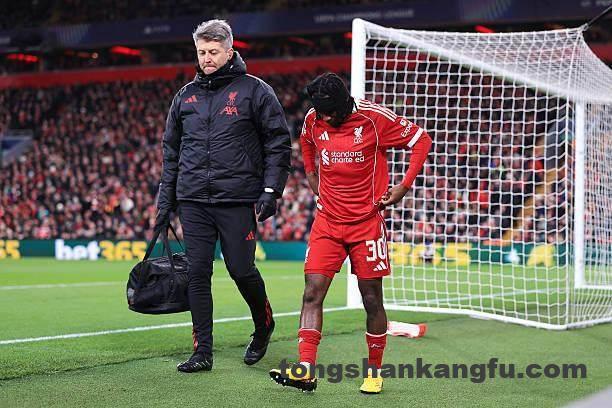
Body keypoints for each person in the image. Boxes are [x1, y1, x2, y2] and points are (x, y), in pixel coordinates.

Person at [269, 73, 432, 393]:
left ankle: (374, 372)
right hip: (327, 222)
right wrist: (311, 173)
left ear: (344, 104)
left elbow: (421, 140)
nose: (325, 118)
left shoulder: (373, 119)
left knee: (371, 299)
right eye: (320, 112)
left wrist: (403, 186)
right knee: (312, 292)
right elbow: (306, 140)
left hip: (366, 224)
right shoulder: (314, 118)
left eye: (330, 112)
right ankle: (305, 370)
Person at [155, 19, 291, 373]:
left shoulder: (255, 91)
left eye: (214, 52)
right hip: (193, 200)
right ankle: (202, 351)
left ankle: (263, 325)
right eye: (202, 52)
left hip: (237, 198)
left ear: (230, 51)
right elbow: (171, 153)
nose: (207, 58)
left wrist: (271, 189)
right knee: (197, 274)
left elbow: (278, 142)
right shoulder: (184, 96)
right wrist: (164, 203)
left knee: (241, 270)